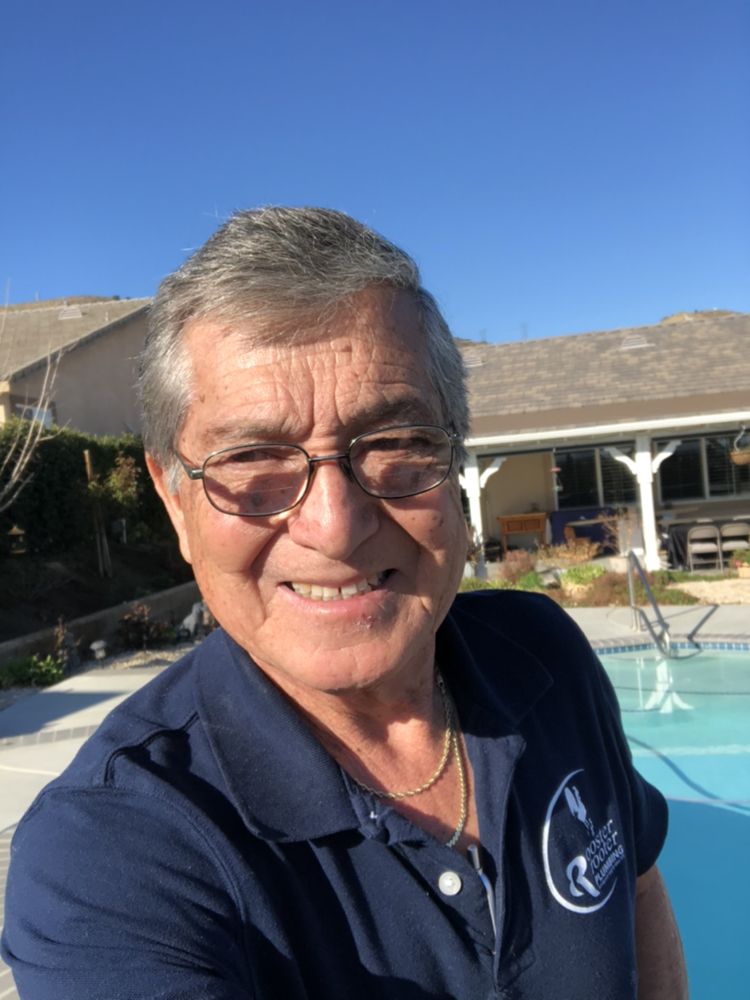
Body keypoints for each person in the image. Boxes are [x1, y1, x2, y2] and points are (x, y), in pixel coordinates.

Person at [2, 208, 687, 999]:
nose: (334, 526)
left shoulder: (544, 655)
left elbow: (635, 886)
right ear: (174, 500)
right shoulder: (110, 857)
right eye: (251, 458)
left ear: (454, 461)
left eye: (395, 443)